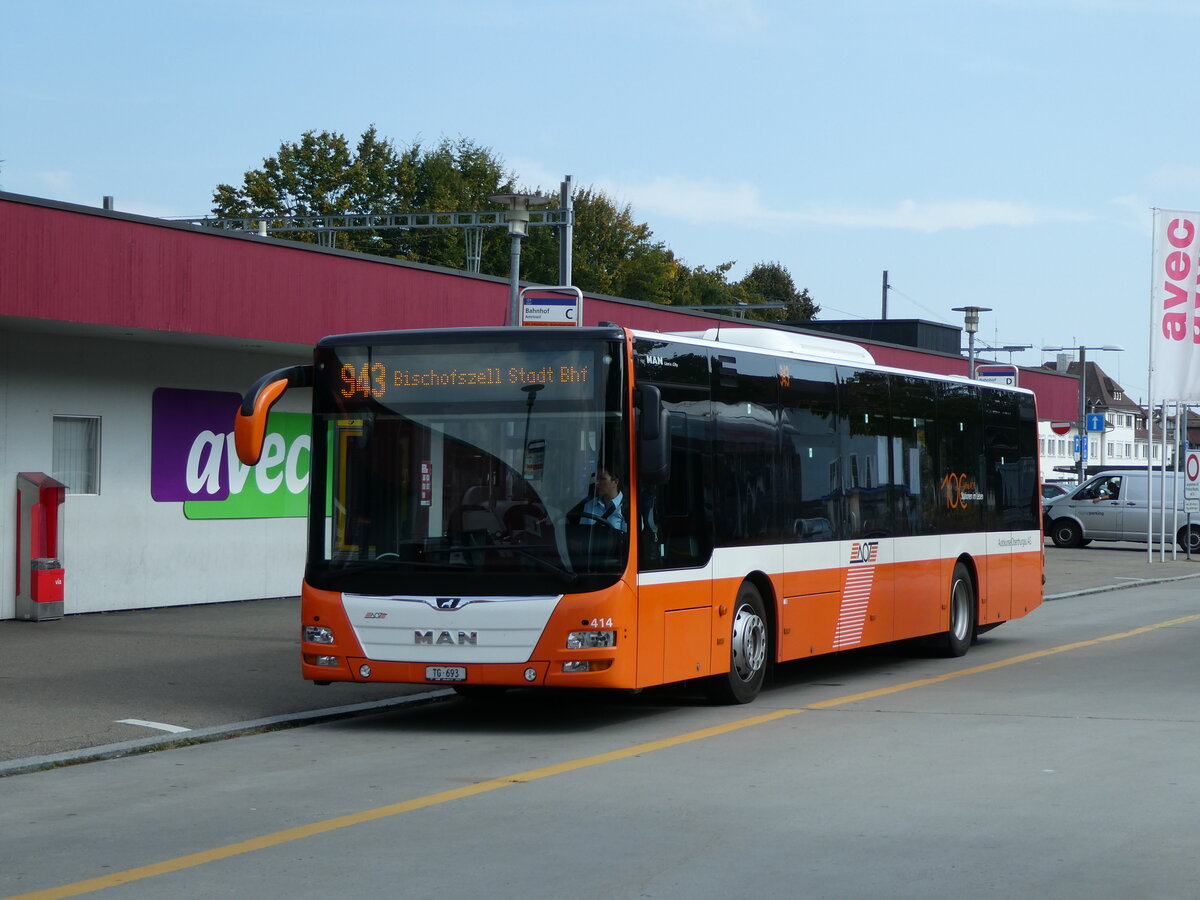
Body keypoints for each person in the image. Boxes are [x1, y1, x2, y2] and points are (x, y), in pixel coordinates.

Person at [571, 466, 627, 531]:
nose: (597, 482)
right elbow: (582, 533)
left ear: (615, 482)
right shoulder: (589, 505)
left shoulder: (627, 508)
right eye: (596, 479)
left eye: (602, 478)